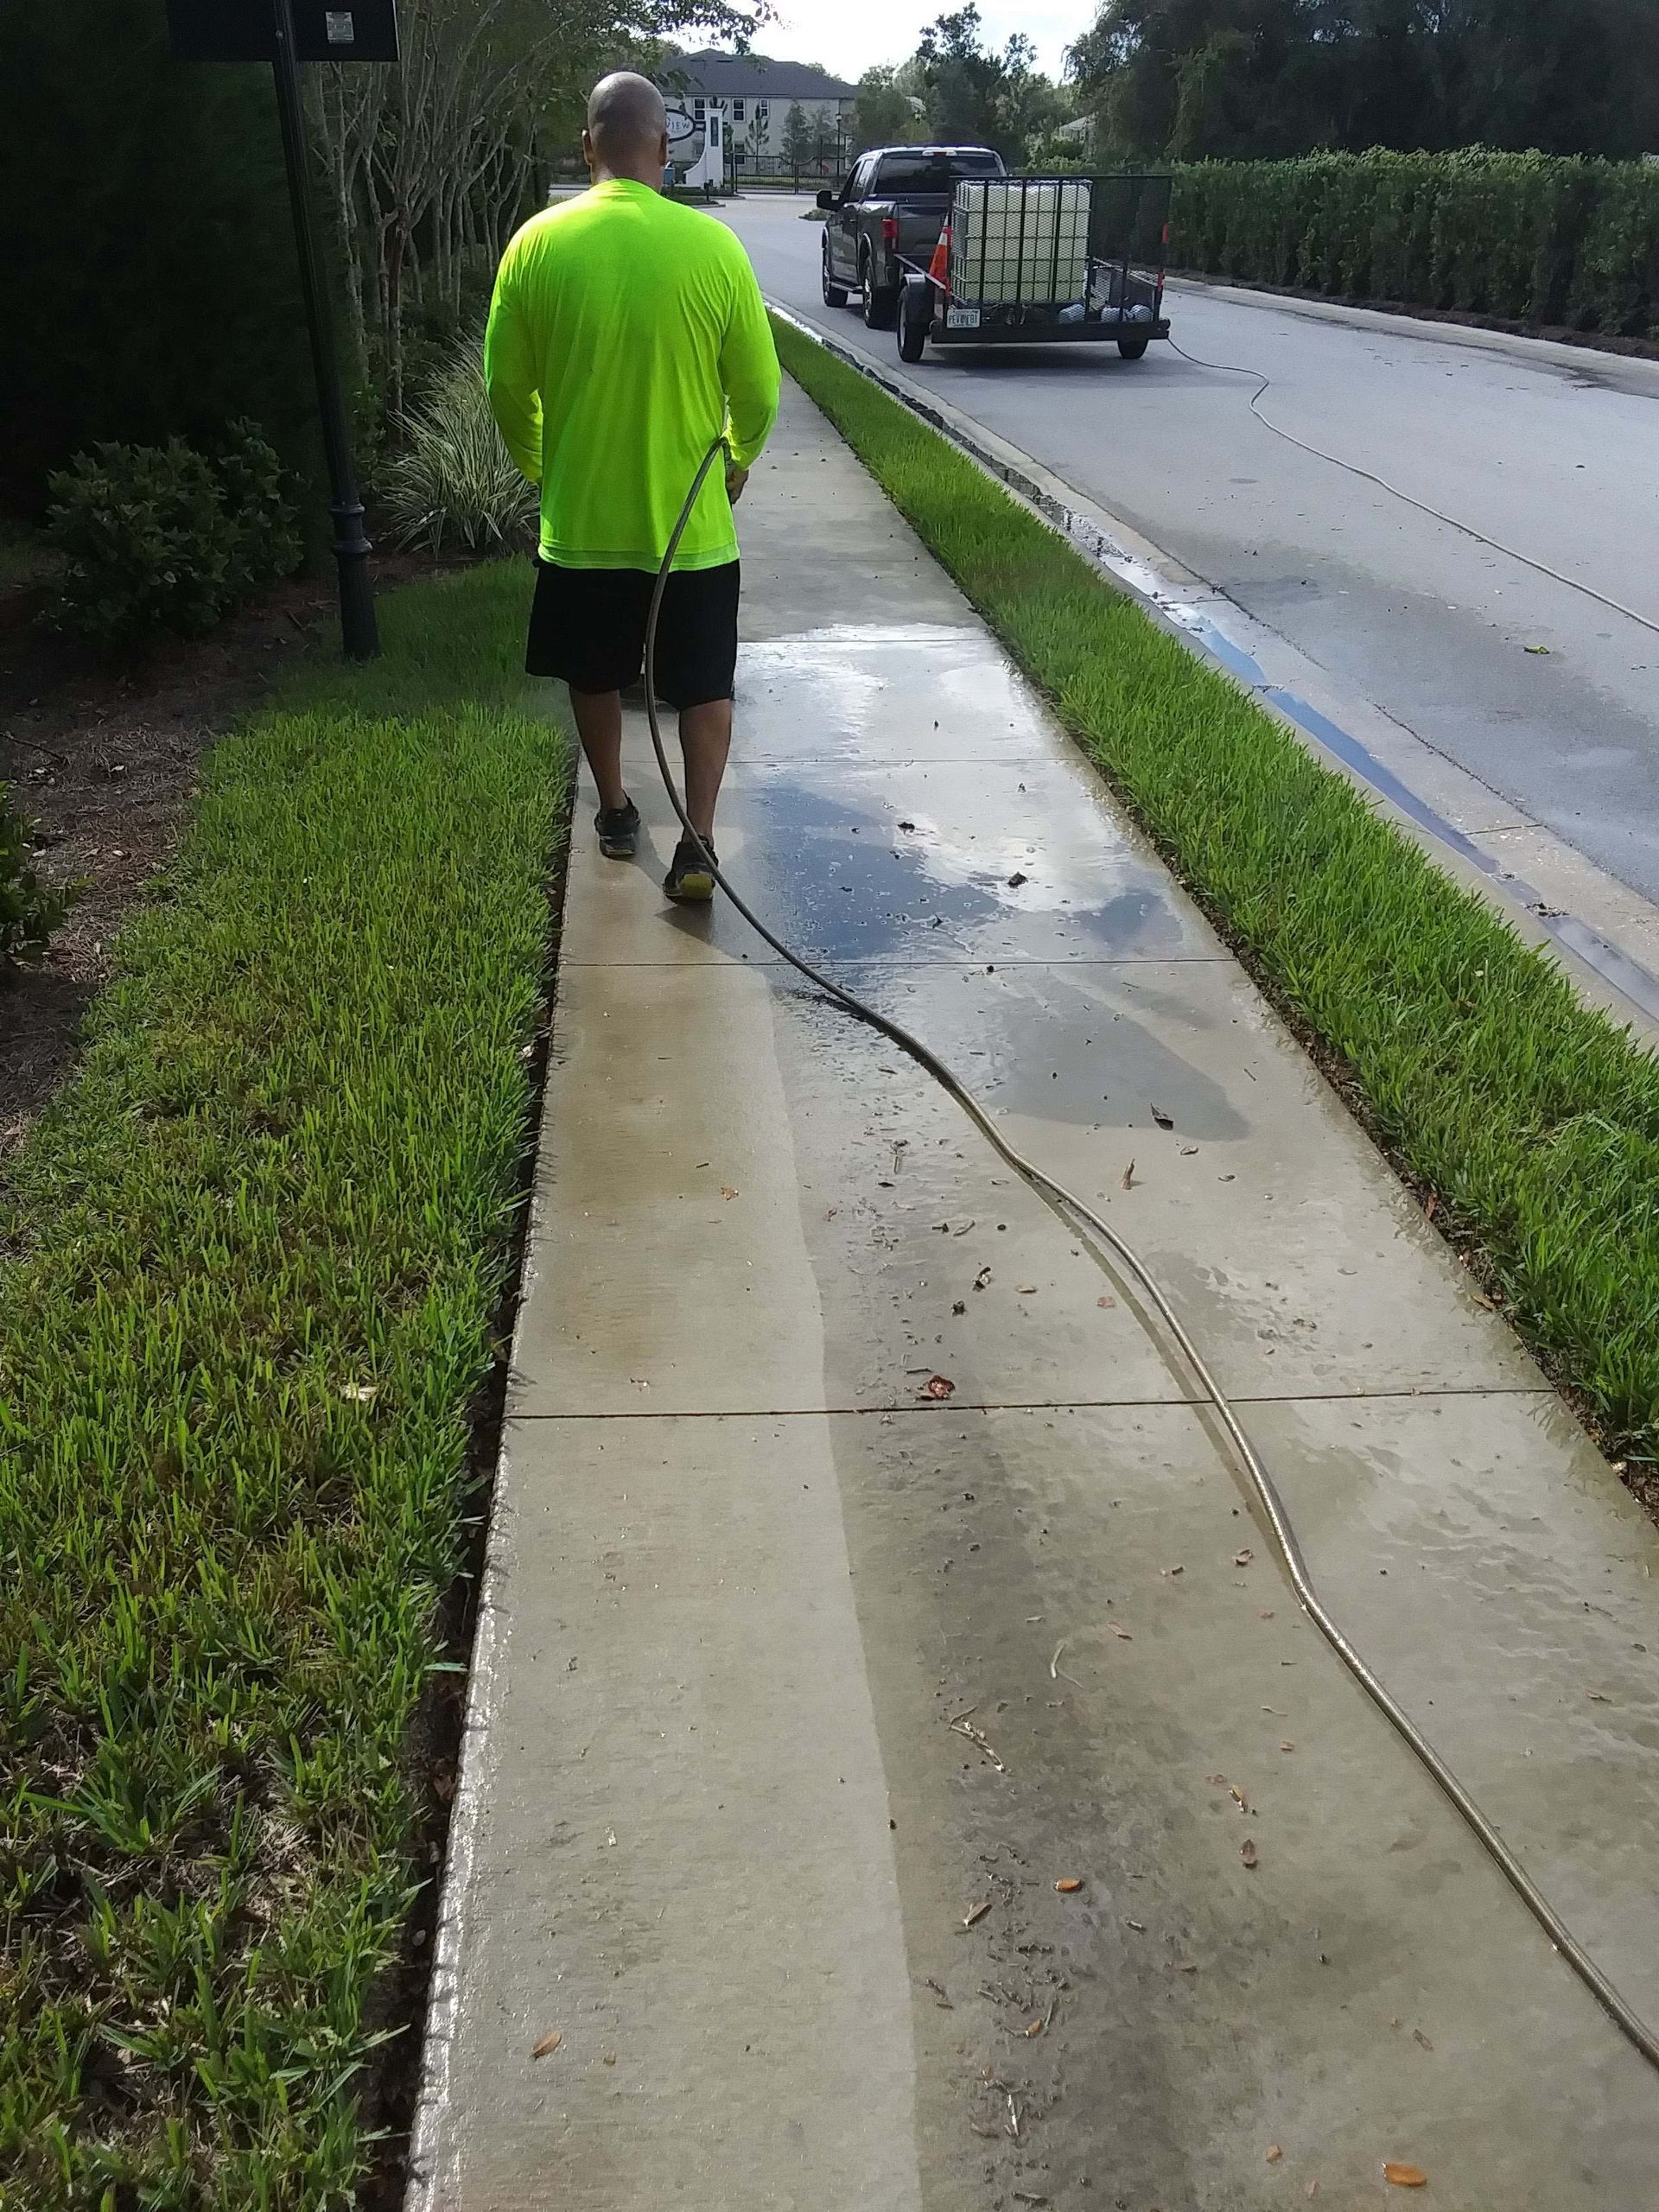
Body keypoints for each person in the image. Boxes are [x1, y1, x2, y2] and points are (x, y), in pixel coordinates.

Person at [483, 73, 780, 901]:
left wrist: (543, 464)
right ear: (662, 148)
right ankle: (698, 840)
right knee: (704, 685)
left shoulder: (535, 245)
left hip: (582, 525)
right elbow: (757, 391)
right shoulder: (714, 248)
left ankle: (615, 811)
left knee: (595, 674)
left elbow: (505, 388)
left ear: (588, 147)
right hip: (692, 532)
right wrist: (736, 454)